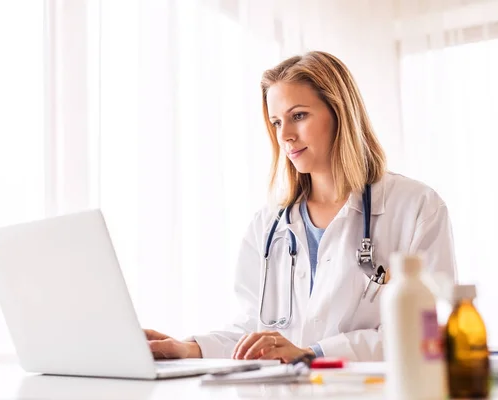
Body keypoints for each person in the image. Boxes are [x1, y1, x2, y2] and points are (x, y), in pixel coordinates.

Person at [144, 50, 457, 363]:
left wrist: (313, 353)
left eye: (298, 116)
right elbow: (254, 327)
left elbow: (428, 331)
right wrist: (189, 348)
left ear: (339, 112)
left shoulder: (416, 207)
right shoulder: (269, 224)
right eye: (276, 122)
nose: (285, 136)